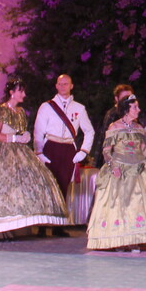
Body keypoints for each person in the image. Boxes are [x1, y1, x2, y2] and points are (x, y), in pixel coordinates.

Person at [0, 78, 71, 240]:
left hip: (20, 151)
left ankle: (21, 225)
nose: (24, 94)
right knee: (5, 185)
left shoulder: (20, 112)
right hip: (5, 152)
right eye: (21, 91)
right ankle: (1, 227)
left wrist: (24, 136)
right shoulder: (2, 110)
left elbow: (20, 132)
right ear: (12, 92)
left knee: (29, 183)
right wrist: (14, 138)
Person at [86, 94, 146, 251]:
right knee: (119, 204)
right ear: (126, 109)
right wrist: (113, 166)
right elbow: (106, 151)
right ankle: (119, 240)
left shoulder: (138, 128)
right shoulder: (114, 127)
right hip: (120, 169)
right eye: (135, 107)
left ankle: (134, 239)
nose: (138, 110)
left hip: (138, 169)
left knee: (137, 204)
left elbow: (142, 152)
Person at [33, 73, 94, 236]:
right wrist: (39, 151)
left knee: (63, 186)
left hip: (68, 149)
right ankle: (42, 226)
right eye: (60, 84)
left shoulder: (79, 108)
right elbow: (38, 131)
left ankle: (58, 226)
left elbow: (89, 131)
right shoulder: (46, 107)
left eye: (66, 84)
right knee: (47, 185)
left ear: (71, 86)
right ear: (56, 86)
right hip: (50, 147)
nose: (63, 87)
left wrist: (83, 151)